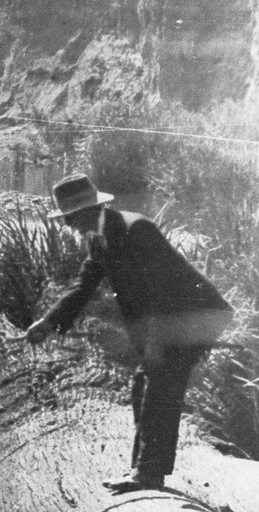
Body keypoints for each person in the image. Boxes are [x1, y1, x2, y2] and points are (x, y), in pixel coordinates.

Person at [24, 173, 232, 494]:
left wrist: (156, 345)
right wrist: (49, 323)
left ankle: (149, 475)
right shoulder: (99, 237)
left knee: (159, 382)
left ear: (87, 211)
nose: (67, 225)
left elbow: (165, 292)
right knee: (142, 384)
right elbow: (82, 287)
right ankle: (145, 469)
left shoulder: (138, 231)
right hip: (173, 317)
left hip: (194, 315)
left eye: (70, 217)